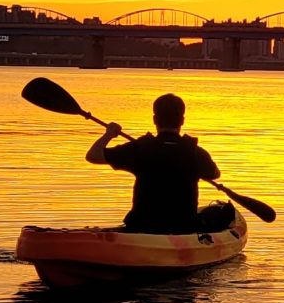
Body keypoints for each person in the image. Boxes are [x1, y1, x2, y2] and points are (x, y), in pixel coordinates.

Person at [86, 92, 235, 234]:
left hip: (141, 226)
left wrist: (109, 134)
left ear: (155, 119)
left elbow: (93, 156)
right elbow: (215, 174)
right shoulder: (196, 153)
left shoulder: (140, 148)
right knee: (223, 212)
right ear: (182, 120)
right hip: (183, 227)